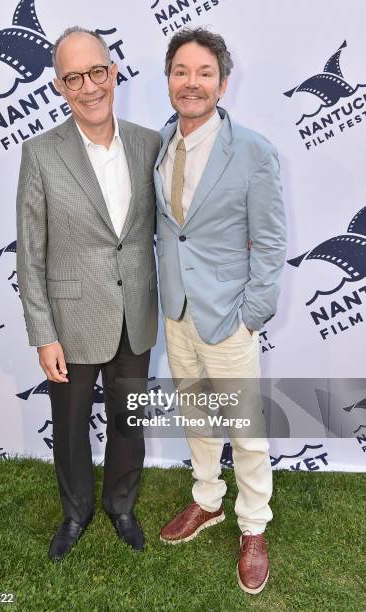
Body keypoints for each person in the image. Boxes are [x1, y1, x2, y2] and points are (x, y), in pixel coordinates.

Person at [16, 27, 159, 560]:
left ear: (113, 73)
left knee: (129, 422)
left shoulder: (150, 144)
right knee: (71, 430)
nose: (88, 87)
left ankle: (122, 504)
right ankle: (76, 512)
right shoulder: (40, 154)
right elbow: (29, 255)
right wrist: (42, 334)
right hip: (71, 321)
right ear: (59, 86)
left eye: (96, 72)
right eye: (73, 78)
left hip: (137, 315)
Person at [155, 27, 286, 594]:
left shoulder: (254, 151)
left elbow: (273, 241)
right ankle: (207, 499)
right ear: (169, 82)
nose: (192, 82)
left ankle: (253, 526)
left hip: (229, 316)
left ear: (222, 83)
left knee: (247, 432)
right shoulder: (160, 143)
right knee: (197, 418)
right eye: (181, 72)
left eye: (204, 73)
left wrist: (253, 311)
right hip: (176, 312)